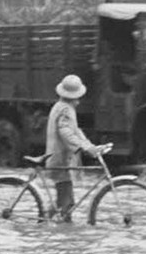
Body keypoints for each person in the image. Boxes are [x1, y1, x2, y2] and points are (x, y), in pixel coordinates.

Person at [45, 74, 105, 220]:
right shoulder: (65, 109)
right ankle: (47, 222)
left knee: (64, 201)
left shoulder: (62, 106)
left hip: (60, 159)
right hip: (60, 160)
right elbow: (66, 133)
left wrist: (90, 146)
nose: (78, 101)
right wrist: (84, 147)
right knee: (65, 202)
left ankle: (50, 223)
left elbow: (76, 131)